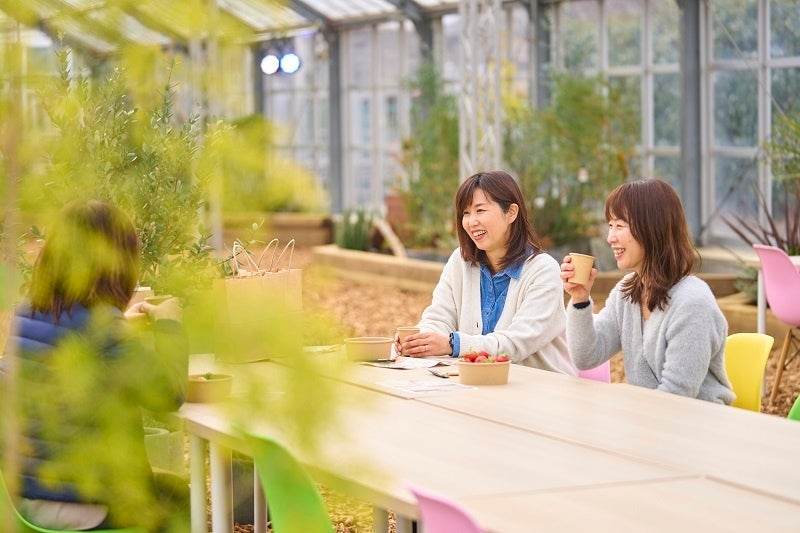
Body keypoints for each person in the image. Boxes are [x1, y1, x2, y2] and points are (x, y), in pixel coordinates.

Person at [0, 199, 190, 531]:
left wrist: (122, 328)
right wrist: (170, 326)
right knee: (176, 497)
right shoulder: (106, 332)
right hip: (85, 507)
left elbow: (67, 349)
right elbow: (168, 395)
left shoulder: (26, 312)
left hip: (23, 501)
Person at [561, 178, 734, 404]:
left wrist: (623, 408)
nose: (610, 237)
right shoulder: (627, 292)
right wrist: (580, 299)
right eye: (610, 226)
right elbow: (586, 357)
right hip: (652, 422)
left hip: (696, 427)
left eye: (620, 226)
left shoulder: (693, 303)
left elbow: (676, 398)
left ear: (652, 228)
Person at [395, 170, 576, 374]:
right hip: (479, 384)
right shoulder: (460, 261)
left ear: (511, 213)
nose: (471, 222)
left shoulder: (543, 271)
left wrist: (453, 344)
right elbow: (439, 317)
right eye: (466, 213)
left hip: (540, 391)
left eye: (480, 211)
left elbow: (515, 344)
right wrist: (420, 340)